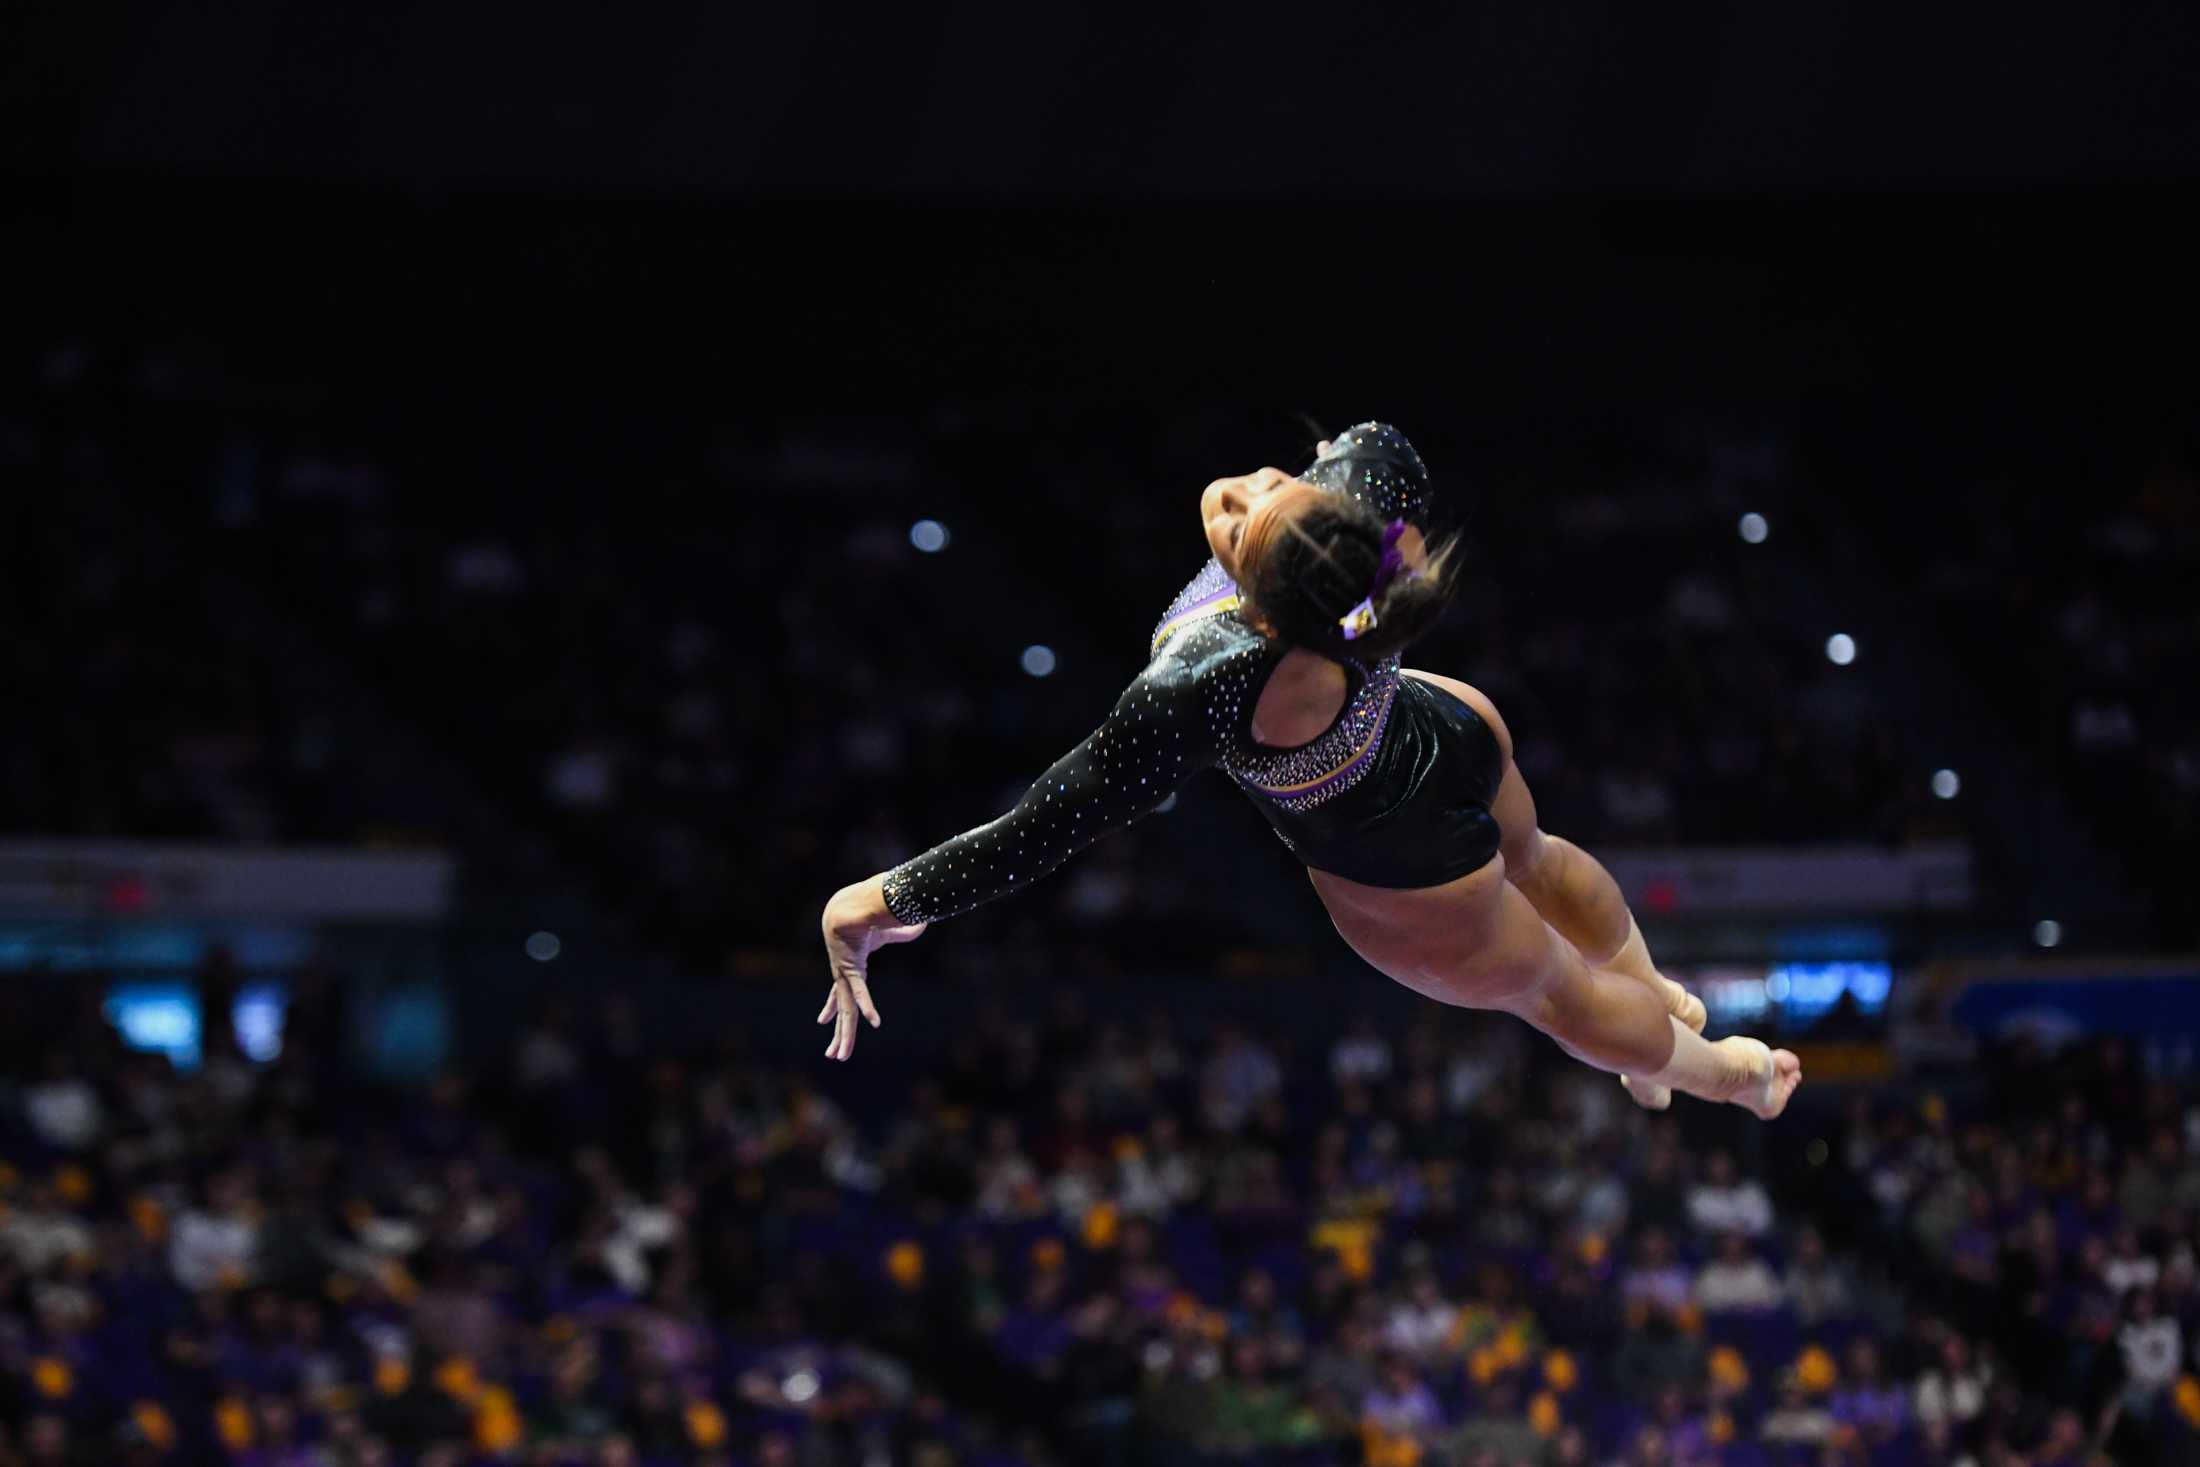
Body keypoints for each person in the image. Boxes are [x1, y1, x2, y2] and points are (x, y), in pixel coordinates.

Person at [818, 424, 1800, 1119]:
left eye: (1251, 509)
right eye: (1255, 497)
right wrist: (1334, 483)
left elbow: (1047, 822)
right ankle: (1658, 1010)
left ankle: (1729, 1075)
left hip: (1404, 874)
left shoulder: (1194, 687)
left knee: (1553, 993)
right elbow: (1386, 445)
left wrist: (890, 893)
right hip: (1448, 726)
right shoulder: (1343, 551)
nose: (1232, 491)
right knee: (1538, 857)